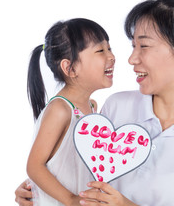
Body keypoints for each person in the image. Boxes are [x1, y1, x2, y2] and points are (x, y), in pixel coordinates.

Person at [16, 0, 174, 206]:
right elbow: (75, 172)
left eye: (144, 46)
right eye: (132, 46)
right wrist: (34, 190)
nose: (130, 58)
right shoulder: (115, 108)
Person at [25, 18, 115, 206]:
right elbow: (34, 166)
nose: (111, 57)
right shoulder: (60, 110)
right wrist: (72, 200)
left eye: (109, 48)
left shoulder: (91, 107)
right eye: (100, 51)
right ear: (70, 68)